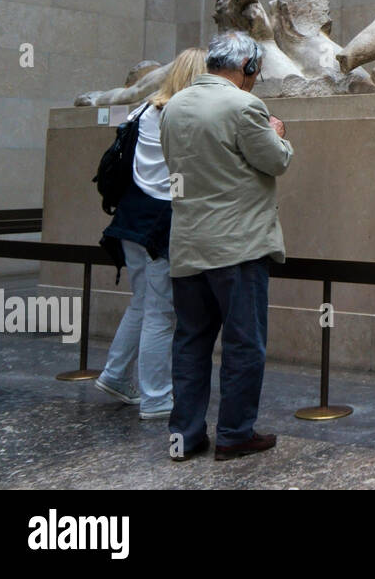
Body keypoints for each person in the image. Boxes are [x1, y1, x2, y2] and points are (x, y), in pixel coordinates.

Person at [161, 31, 293, 461]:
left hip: (187, 244)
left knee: (190, 342)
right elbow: (275, 161)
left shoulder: (173, 106)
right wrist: (279, 134)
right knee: (243, 344)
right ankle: (235, 434)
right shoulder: (245, 106)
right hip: (237, 247)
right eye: (257, 71)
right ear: (248, 67)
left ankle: (185, 434)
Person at [94, 48, 207, 420]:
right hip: (162, 220)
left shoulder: (143, 110)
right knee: (162, 312)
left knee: (141, 302)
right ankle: (156, 397)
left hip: (130, 217)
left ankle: (114, 374)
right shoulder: (185, 114)